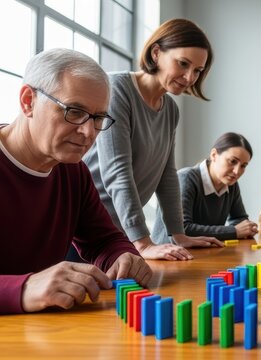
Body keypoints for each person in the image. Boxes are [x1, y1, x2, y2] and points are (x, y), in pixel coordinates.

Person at [0, 49, 152, 314]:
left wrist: (123, 257)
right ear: (28, 101)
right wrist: (24, 288)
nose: (88, 132)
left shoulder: (73, 171)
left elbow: (103, 240)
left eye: (98, 118)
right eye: (74, 111)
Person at [83, 19, 223, 261]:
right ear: (156, 53)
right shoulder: (117, 90)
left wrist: (178, 234)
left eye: (197, 70)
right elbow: (117, 172)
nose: (190, 77)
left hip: (119, 234)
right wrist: (143, 242)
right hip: (86, 228)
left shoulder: (170, 110)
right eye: (183, 63)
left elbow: (167, 175)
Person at [152, 132, 258, 243]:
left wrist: (245, 228)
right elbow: (182, 229)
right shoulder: (186, 178)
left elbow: (240, 220)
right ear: (214, 155)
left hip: (202, 252)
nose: (237, 171)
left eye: (243, 166)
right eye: (232, 161)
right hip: (169, 255)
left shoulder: (231, 184)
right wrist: (234, 231)